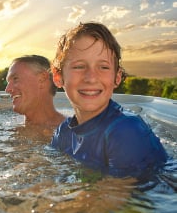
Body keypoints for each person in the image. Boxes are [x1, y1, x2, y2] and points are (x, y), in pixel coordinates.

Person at [50, 22, 168, 178]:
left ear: (116, 77)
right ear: (58, 77)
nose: (91, 78)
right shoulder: (64, 132)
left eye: (103, 67)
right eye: (79, 66)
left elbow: (115, 198)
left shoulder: (125, 130)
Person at [5, 55, 65, 132]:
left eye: (15, 79)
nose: (7, 89)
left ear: (41, 79)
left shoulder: (72, 133)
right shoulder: (11, 127)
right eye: (8, 82)